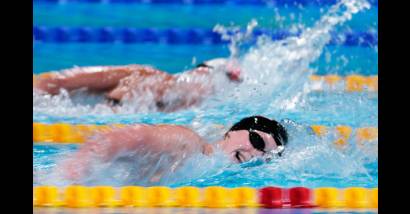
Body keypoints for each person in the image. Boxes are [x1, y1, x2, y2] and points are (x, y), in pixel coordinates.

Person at [60, 116, 288, 183]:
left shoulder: (210, 171)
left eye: (265, 157)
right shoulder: (189, 143)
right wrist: (71, 174)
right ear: (232, 131)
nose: (256, 154)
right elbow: (127, 137)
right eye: (258, 142)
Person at [33, 58, 242, 112]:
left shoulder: (152, 75)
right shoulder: (194, 88)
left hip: (140, 80)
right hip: (143, 85)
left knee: (57, 83)